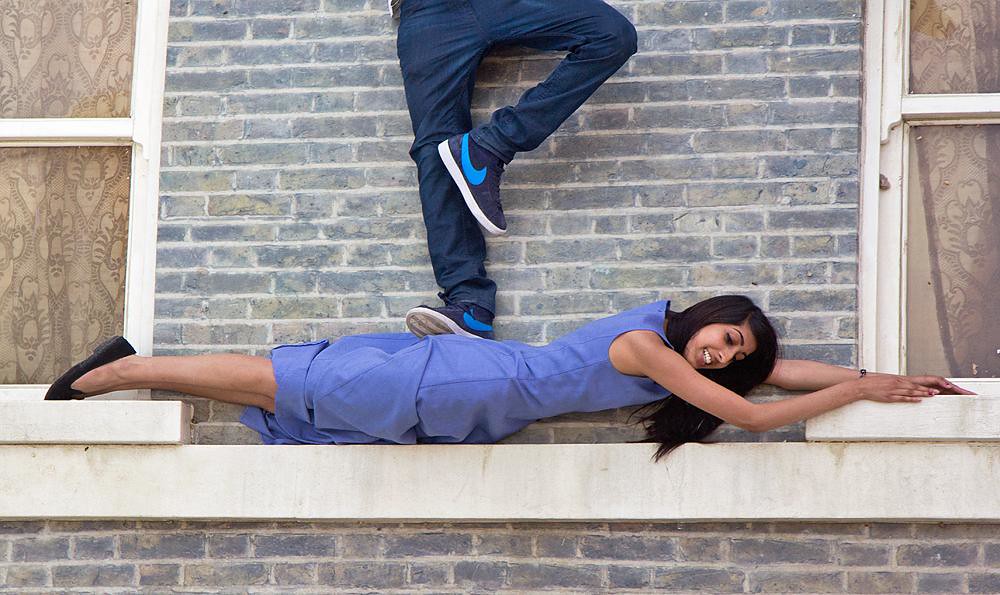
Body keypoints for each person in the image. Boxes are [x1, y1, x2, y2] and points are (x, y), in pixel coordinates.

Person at [44, 296, 970, 457]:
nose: (725, 356)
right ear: (703, 319)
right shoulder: (648, 348)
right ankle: (117, 371)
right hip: (462, 388)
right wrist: (857, 394)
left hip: (471, 382)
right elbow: (752, 412)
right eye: (724, 337)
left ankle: (125, 368)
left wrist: (876, 373)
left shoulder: (667, 341)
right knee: (282, 381)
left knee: (283, 384)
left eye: (734, 353)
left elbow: (773, 374)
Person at [394, 0, 639, 340]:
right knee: (435, 148)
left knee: (612, 34)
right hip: (426, 10)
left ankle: (492, 144)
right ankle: (469, 306)